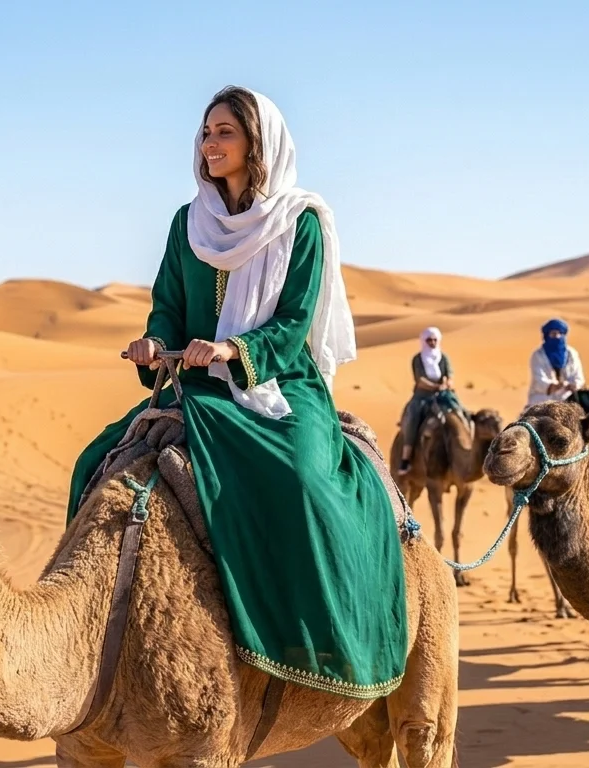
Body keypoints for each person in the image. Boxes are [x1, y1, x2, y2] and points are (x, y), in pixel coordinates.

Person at [64, 86, 408, 698]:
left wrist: (233, 350)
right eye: (205, 132)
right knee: (94, 463)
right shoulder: (186, 221)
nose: (210, 143)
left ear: (258, 143)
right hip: (195, 386)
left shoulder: (301, 223)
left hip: (278, 382)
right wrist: (153, 342)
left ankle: (320, 634)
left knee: (303, 479)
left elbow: (294, 321)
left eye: (225, 132)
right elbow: (168, 304)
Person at [396, 326, 455, 474]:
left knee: (462, 415)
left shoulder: (444, 357)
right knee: (412, 421)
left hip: (443, 396)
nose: (433, 342)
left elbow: (449, 376)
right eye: (429, 340)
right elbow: (420, 380)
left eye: (435, 340)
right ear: (423, 341)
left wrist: (445, 384)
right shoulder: (418, 359)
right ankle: (406, 458)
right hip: (422, 397)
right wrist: (436, 386)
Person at [527, 318, 586, 406]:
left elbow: (578, 376)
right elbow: (539, 379)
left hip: (569, 398)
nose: (557, 337)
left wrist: (574, 385)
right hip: (541, 399)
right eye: (553, 334)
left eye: (560, 333)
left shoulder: (571, 354)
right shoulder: (538, 355)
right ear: (547, 336)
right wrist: (553, 386)